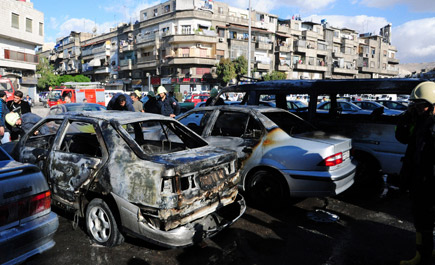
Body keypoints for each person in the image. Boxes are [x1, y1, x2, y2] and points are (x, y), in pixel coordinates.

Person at [395, 81, 435, 265]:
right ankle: (423, 254)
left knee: (427, 221)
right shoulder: (419, 123)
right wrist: (406, 117)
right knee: (421, 220)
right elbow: (402, 137)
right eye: (416, 105)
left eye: (422, 106)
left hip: (430, 183)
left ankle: (426, 256)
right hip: (419, 180)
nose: (419, 109)